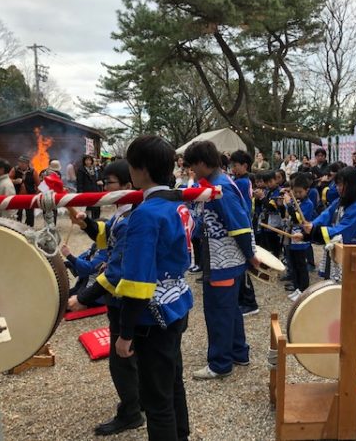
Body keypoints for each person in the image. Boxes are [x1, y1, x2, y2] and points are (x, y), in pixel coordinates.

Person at [108, 137, 193, 439]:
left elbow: (137, 280)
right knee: (172, 383)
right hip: (177, 302)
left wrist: (125, 332)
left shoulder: (146, 213)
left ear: (141, 170)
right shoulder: (179, 205)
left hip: (152, 313)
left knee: (156, 399)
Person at [67, 159, 145, 436]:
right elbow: (104, 235)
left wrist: (84, 298)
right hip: (121, 296)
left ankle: (132, 412)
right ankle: (139, 401)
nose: (103, 186)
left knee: (121, 359)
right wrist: (87, 222)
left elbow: (116, 270)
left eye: (109, 182)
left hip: (124, 296)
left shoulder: (134, 217)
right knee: (131, 355)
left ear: (127, 185)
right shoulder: (123, 213)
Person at [184, 140, 259, 380]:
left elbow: (239, 225)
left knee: (218, 312)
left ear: (203, 163)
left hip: (223, 260)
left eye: (193, 165)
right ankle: (239, 352)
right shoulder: (218, 183)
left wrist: (251, 255)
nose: (191, 170)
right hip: (225, 259)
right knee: (230, 310)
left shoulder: (221, 188)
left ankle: (220, 363)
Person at [302, 167, 356, 282]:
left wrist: (314, 229)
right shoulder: (339, 201)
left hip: (350, 250)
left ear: (352, 186)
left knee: (347, 286)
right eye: (337, 184)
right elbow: (326, 215)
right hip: (336, 246)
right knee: (333, 283)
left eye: (341, 185)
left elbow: (344, 229)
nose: (338, 188)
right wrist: (310, 227)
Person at [230, 150, 259, 317]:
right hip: (244, 224)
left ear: (245, 166)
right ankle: (244, 300)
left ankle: (250, 302)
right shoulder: (241, 180)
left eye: (236, 165)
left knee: (244, 266)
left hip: (243, 225)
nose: (233, 168)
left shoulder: (241, 182)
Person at [286, 173, 315, 301]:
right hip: (293, 235)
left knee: (301, 264)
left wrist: (289, 206)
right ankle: (297, 287)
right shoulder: (295, 201)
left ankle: (304, 289)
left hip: (301, 237)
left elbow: (299, 219)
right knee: (293, 263)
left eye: (300, 192)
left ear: (306, 190)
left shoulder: (308, 204)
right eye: (295, 192)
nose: (297, 194)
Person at [9, 155, 40, 227]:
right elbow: (7, 179)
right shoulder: (14, 170)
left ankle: (29, 229)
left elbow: (39, 184)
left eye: (23, 162)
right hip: (17, 196)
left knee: (30, 214)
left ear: (27, 163)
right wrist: (14, 181)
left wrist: (36, 195)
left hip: (29, 197)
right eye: (20, 162)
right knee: (17, 214)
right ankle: (16, 229)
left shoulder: (33, 172)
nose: (21, 164)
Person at [77, 154, 104, 219]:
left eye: (89, 160)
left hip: (96, 191)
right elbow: (79, 182)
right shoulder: (81, 170)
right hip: (86, 191)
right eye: (86, 160)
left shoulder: (95, 169)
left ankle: (96, 221)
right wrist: (80, 192)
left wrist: (100, 182)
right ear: (84, 161)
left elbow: (100, 178)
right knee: (88, 209)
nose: (88, 162)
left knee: (97, 207)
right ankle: (88, 223)